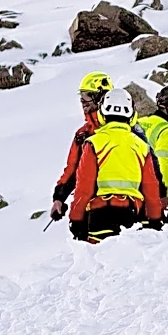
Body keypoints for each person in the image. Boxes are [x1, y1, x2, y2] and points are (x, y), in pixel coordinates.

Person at [69, 89, 163, 243]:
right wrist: (155, 218)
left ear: (102, 113)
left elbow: (83, 187)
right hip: (132, 214)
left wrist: (76, 218)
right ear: (131, 115)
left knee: (99, 257)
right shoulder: (141, 146)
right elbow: (151, 187)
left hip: (101, 215)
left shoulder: (94, 143)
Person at [49, 72, 113, 223]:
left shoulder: (125, 129)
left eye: (88, 95)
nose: (82, 101)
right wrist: (59, 198)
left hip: (124, 205)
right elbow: (72, 170)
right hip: (90, 208)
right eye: (81, 96)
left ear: (102, 97)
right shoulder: (82, 134)